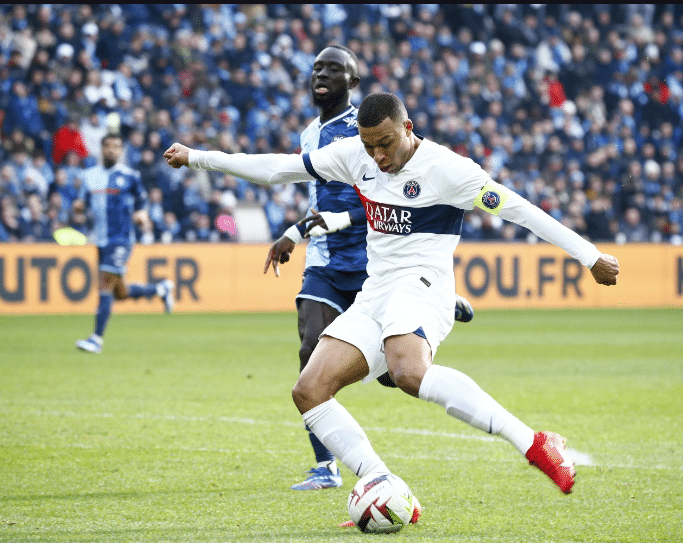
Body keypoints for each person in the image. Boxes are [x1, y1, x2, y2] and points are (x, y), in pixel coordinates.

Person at [165, 92, 619, 501]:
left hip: (423, 287)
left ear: (408, 128)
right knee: (309, 390)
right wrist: (199, 158)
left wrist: (589, 255)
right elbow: (277, 168)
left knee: (407, 371)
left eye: (385, 142)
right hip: (376, 292)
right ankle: (380, 483)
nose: (378, 156)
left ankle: (536, 443)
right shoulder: (354, 156)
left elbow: (520, 210)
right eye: (369, 146)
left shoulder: (450, 171)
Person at [260, 45, 474, 492]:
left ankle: (435, 301)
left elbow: (383, 200)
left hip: (376, 259)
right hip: (325, 257)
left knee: (392, 378)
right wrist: (295, 235)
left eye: (334, 69)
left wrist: (336, 222)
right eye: (317, 66)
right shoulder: (307, 134)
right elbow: (319, 203)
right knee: (309, 351)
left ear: (352, 82)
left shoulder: (369, 133)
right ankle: (325, 466)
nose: (322, 74)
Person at [75, 133, 175, 354]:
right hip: (100, 239)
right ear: (101, 149)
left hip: (121, 239)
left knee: (105, 283)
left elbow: (142, 201)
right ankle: (161, 289)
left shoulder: (129, 176)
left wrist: (141, 214)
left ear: (121, 151)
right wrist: (79, 207)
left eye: (116, 146)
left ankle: (96, 339)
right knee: (120, 292)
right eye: (108, 146)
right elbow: (82, 201)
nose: (112, 150)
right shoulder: (89, 176)